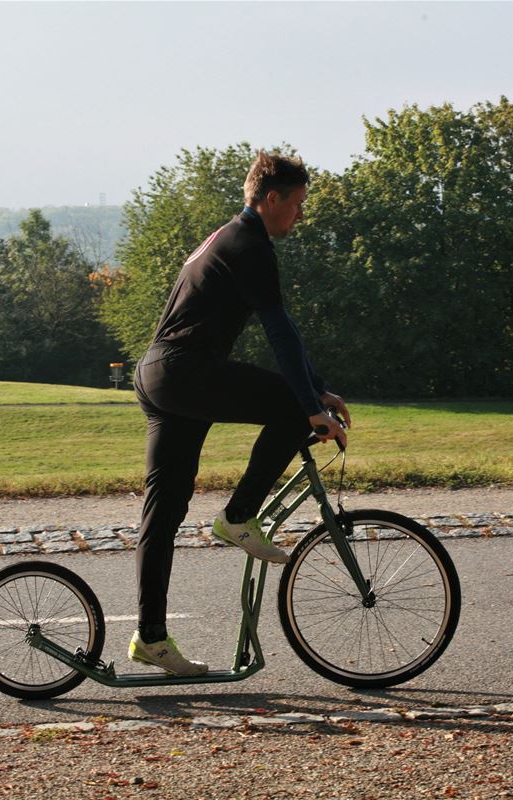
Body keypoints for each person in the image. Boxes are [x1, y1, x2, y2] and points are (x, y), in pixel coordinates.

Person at [129, 151, 351, 676]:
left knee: (163, 512)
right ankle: (237, 517)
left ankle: (151, 638)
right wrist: (310, 404)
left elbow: (277, 339)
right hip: (185, 372)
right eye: (297, 204)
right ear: (270, 199)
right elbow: (281, 332)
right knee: (291, 409)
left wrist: (318, 389)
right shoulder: (250, 244)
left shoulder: (225, 236)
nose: (300, 215)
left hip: (158, 375)